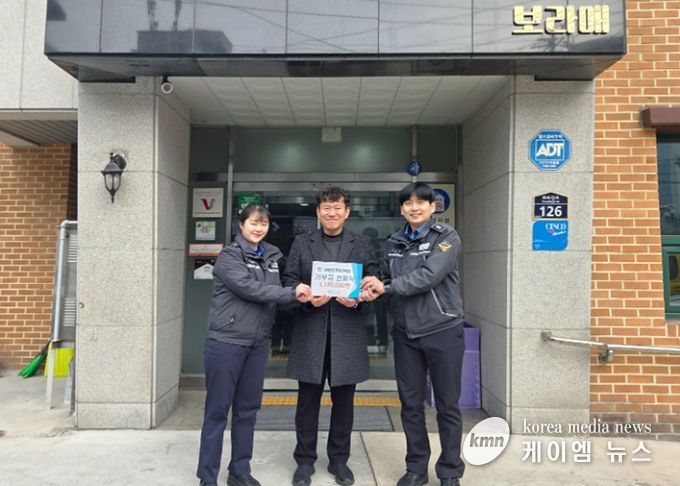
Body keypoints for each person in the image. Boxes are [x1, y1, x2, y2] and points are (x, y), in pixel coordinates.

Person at [197, 204, 312, 486]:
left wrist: (307, 299)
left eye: (263, 224)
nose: (259, 228)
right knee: (217, 411)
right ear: (241, 225)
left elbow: (275, 298)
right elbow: (251, 289)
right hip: (226, 342)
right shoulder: (229, 256)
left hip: (258, 343)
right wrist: (292, 293)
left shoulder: (271, 257)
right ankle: (207, 477)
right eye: (253, 223)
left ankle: (240, 471)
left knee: (248, 410)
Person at [361, 182, 465, 486]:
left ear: (433, 207)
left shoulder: (446, 237)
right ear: (402, 208)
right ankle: (416, 468)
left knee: (447, 405)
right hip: (406, 333)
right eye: (408, 203)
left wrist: (386, 287)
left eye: (421, 202)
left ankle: (450, 471)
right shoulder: (394, 241)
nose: (414, 208)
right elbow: (385, 278)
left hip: (442, 329)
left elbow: (429, 276)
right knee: (410, 405)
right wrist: (365, 288)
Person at [282, 186, 378, 486]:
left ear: (347, 212)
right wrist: (305, 297)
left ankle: (339, 461)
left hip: (347, 333)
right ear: (318, 212)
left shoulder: (362, 244)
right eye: (326, 207)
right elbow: (289, 280)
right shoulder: (302, 243)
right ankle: (304, 461)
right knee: (306, 404)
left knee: (344, 405)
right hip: (311, 331)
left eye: (337, 207)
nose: (332, 212)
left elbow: (374, 281)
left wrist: (360, 299)